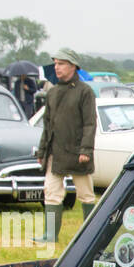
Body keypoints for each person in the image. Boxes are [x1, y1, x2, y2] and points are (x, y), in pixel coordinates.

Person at [33, 48, 97, 250]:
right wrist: (42, 153)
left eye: (61, 63)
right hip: (56, 153)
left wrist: (86, 150)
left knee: (86, 194)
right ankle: (50, 235)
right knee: (51, 192)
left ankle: (90, 236)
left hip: (79, 153)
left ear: (72, 66)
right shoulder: (52, 92)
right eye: (55, 63)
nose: (57, 67)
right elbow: (47, 125)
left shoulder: (85, 91)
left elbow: (90, 123)